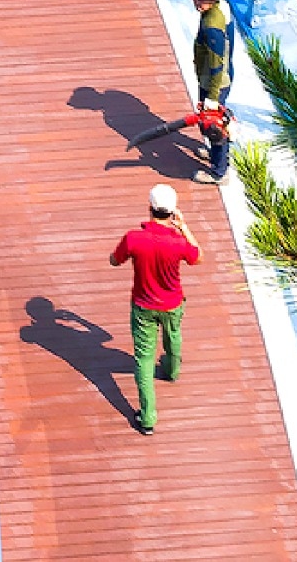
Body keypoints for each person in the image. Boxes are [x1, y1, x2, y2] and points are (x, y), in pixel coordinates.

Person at [108, 184, 199, 435]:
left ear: (149, 208)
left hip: (143, 306)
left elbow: (115, 260)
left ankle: (147, 418)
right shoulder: (178, 242)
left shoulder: (134, 239)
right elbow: (197, 256)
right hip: (172, 303)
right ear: (172, 213)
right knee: (174, 337)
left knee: (144, 359)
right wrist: (184, 227)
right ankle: (171, 370)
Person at [188, 0, 236, 184]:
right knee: (211, 125)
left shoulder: (212, 27)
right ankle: (219, 156)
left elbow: (217, 64)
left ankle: (219, 171)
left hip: (214, 81)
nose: (196, 3)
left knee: (213, 126)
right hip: (214, 76)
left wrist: (213, 97)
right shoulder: (220, 11)